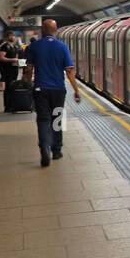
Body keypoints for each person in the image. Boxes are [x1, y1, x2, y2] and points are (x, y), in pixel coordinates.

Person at [25, 19, 81, 166]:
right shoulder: (62, 47)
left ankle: (44, 145)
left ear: (42, 31)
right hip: (58, 90)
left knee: (43, 119)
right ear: (56, 30)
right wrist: (76, 90)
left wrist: (27, 83)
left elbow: (29, 70)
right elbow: (69, 71)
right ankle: (57, 150)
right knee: (57, 119)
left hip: (40, 89)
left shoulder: (33, 47)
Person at [0, 31, 23, 112]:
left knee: (13, 86)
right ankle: (7, 107)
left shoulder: (14, 46)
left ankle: (12, 104)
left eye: (13, 36)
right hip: (7, 70)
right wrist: (12, 60)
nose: (13, 37)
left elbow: (16, 56)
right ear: (7, 37)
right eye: (11, 36)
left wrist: (18, 61)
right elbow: (1, 57)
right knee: (8, 87)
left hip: (14, 69)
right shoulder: (5, 46)